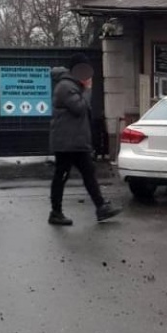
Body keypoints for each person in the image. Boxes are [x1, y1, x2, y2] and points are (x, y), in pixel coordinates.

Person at [48, 53, 121, 225]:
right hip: (67, 143)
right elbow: (79, 108)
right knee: (62, 176)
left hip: (75, 141)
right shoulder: (66, 86)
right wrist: (87, 89)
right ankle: (56, 212)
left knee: (88, 173)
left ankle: (101, 207)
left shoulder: (72, 85)